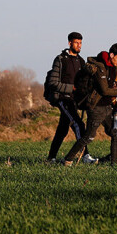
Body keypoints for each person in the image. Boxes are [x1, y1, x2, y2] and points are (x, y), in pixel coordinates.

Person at [63, 44, 117, 167]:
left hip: (107, 106)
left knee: (116, 133)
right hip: (96, 107)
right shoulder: (100, 67)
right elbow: (104, 90)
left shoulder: (114, 67)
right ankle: (67, 159)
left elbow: (110, 85)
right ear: (111, 55)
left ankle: (114, 165)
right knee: (89, 137)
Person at [45, 32, 98, 164]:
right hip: (63, 98)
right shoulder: (60, 59)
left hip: (75, 100)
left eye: (80, 43)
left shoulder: (81, 61)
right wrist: (71, 88)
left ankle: (51, 158)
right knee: (78, 124)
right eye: (76, 43)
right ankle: (85, 156)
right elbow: (53, 82)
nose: (79, 45)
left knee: (62, 129)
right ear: (70, 43)